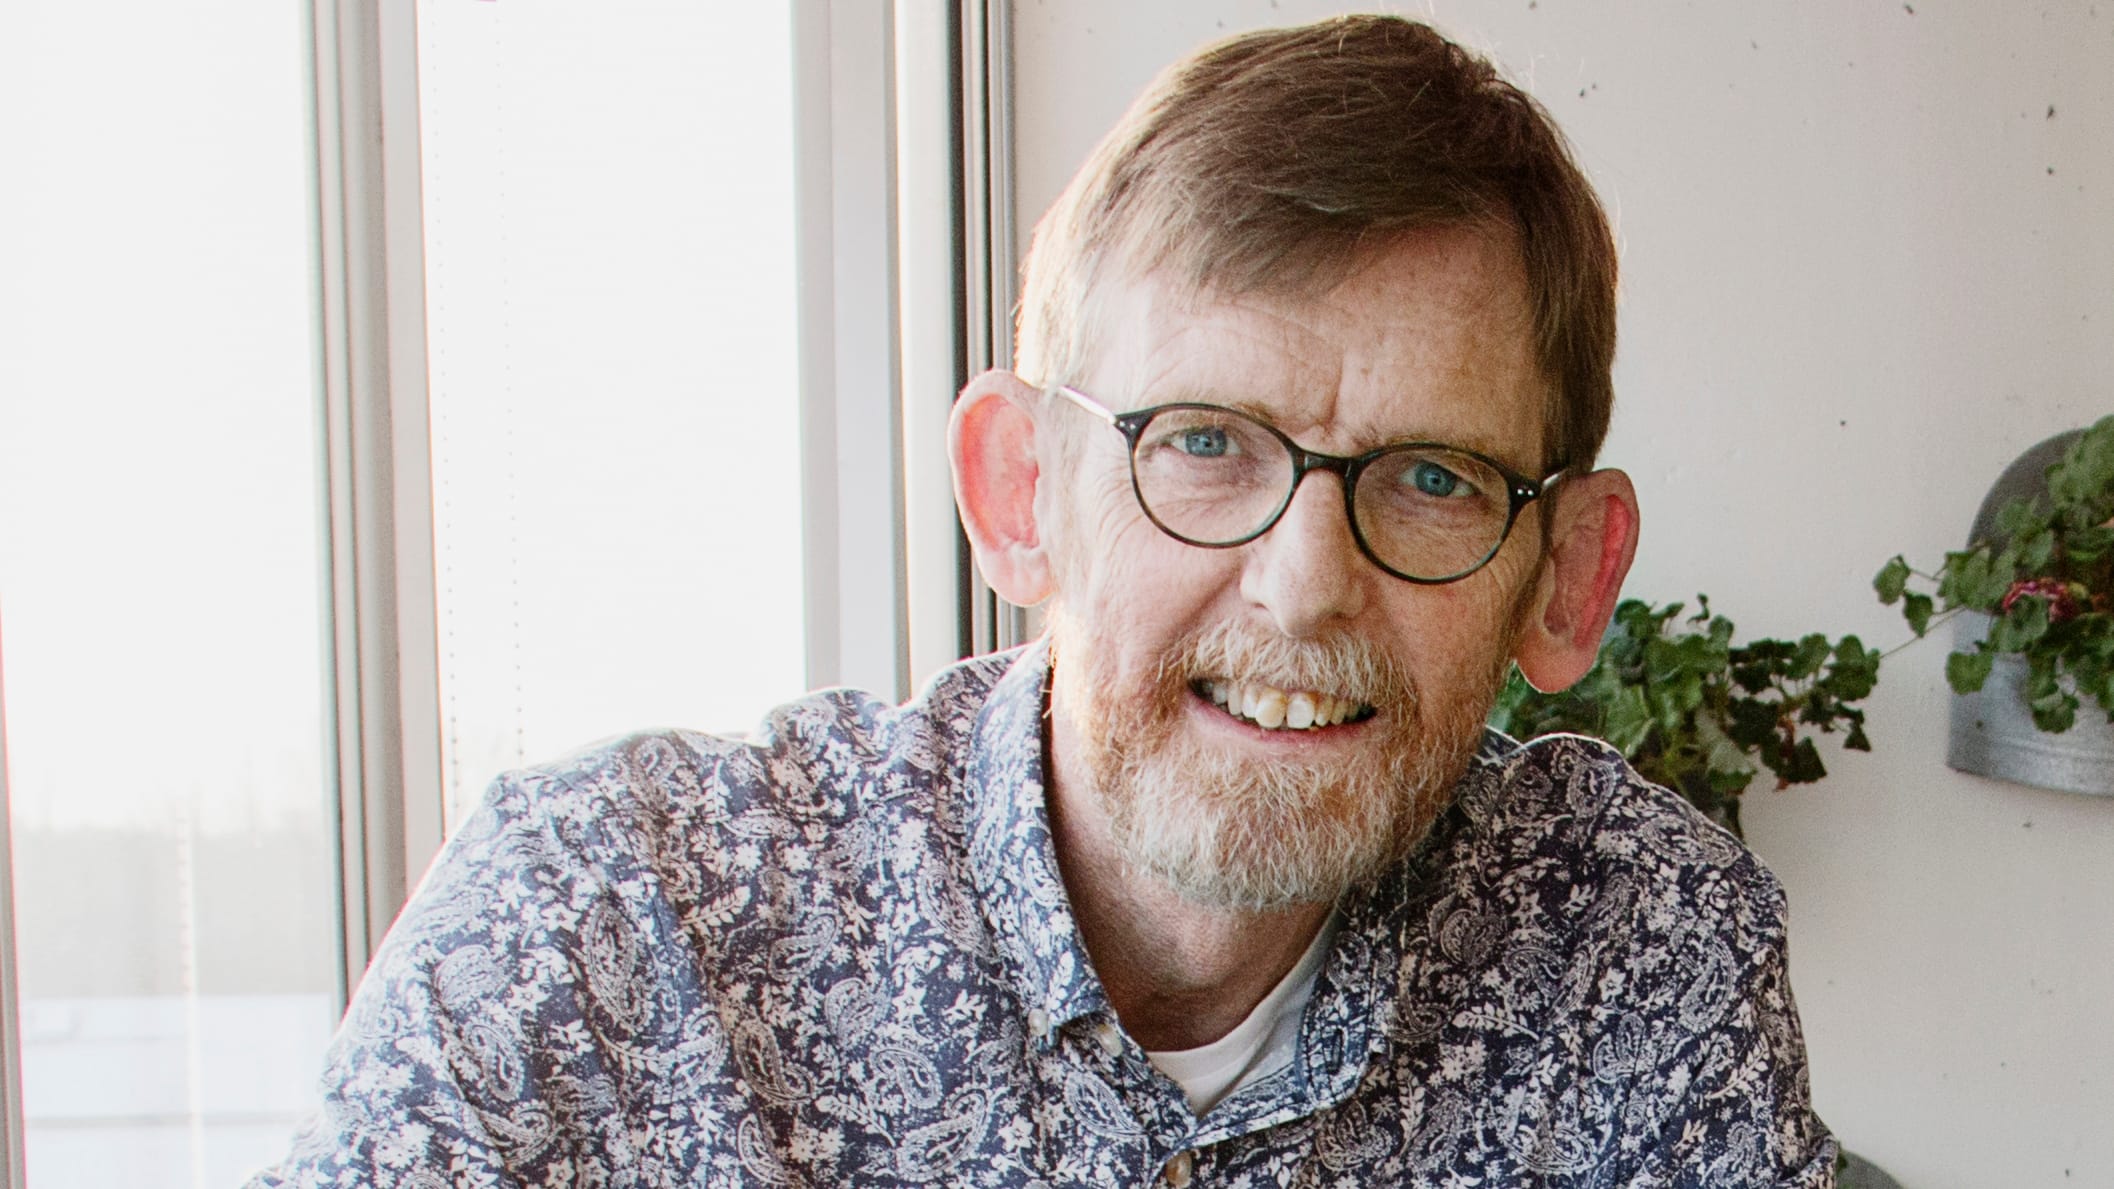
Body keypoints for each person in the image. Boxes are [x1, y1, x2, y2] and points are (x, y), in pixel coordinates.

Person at [251, 14, 1835, 1187]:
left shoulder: (1636, 945)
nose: (1302, 586)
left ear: (1564, 579)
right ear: (1018, 493)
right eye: (1200, 444)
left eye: (1432, 476)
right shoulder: (602, 925)